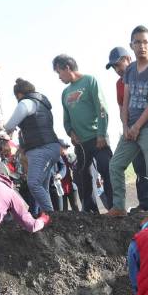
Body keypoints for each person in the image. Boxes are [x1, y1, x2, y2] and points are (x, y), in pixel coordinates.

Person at [109, 26, 148, 216]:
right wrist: (126, 126)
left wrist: (137, 126)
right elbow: (125, 99)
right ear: (131, 46)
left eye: (145, 42)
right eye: (138, 42)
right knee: (115, 165)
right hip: (130, 128)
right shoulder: (129, 71)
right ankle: (119, 207)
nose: (142, 46)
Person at [54, 54, 112, 213]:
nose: (59, 77)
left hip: (98, 138)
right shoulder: (65, 93)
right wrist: (71, 133)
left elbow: (102, 109)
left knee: (107, 170)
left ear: (67, 67)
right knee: (84, 177)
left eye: (59, 72)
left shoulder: (90, 81)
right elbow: (66, 119)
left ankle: (114, 207)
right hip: (80, 143)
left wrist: (101, 134)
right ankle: (90, 211)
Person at [4, 78, 63, 216]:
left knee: (33, 183)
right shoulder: (42, 104)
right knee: (42, 186)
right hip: (52, 146)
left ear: (18, 94)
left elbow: (10, 125)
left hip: (40, 148)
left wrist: (3, 131)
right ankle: (48, 214)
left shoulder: (25, 103)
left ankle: (50, 216)